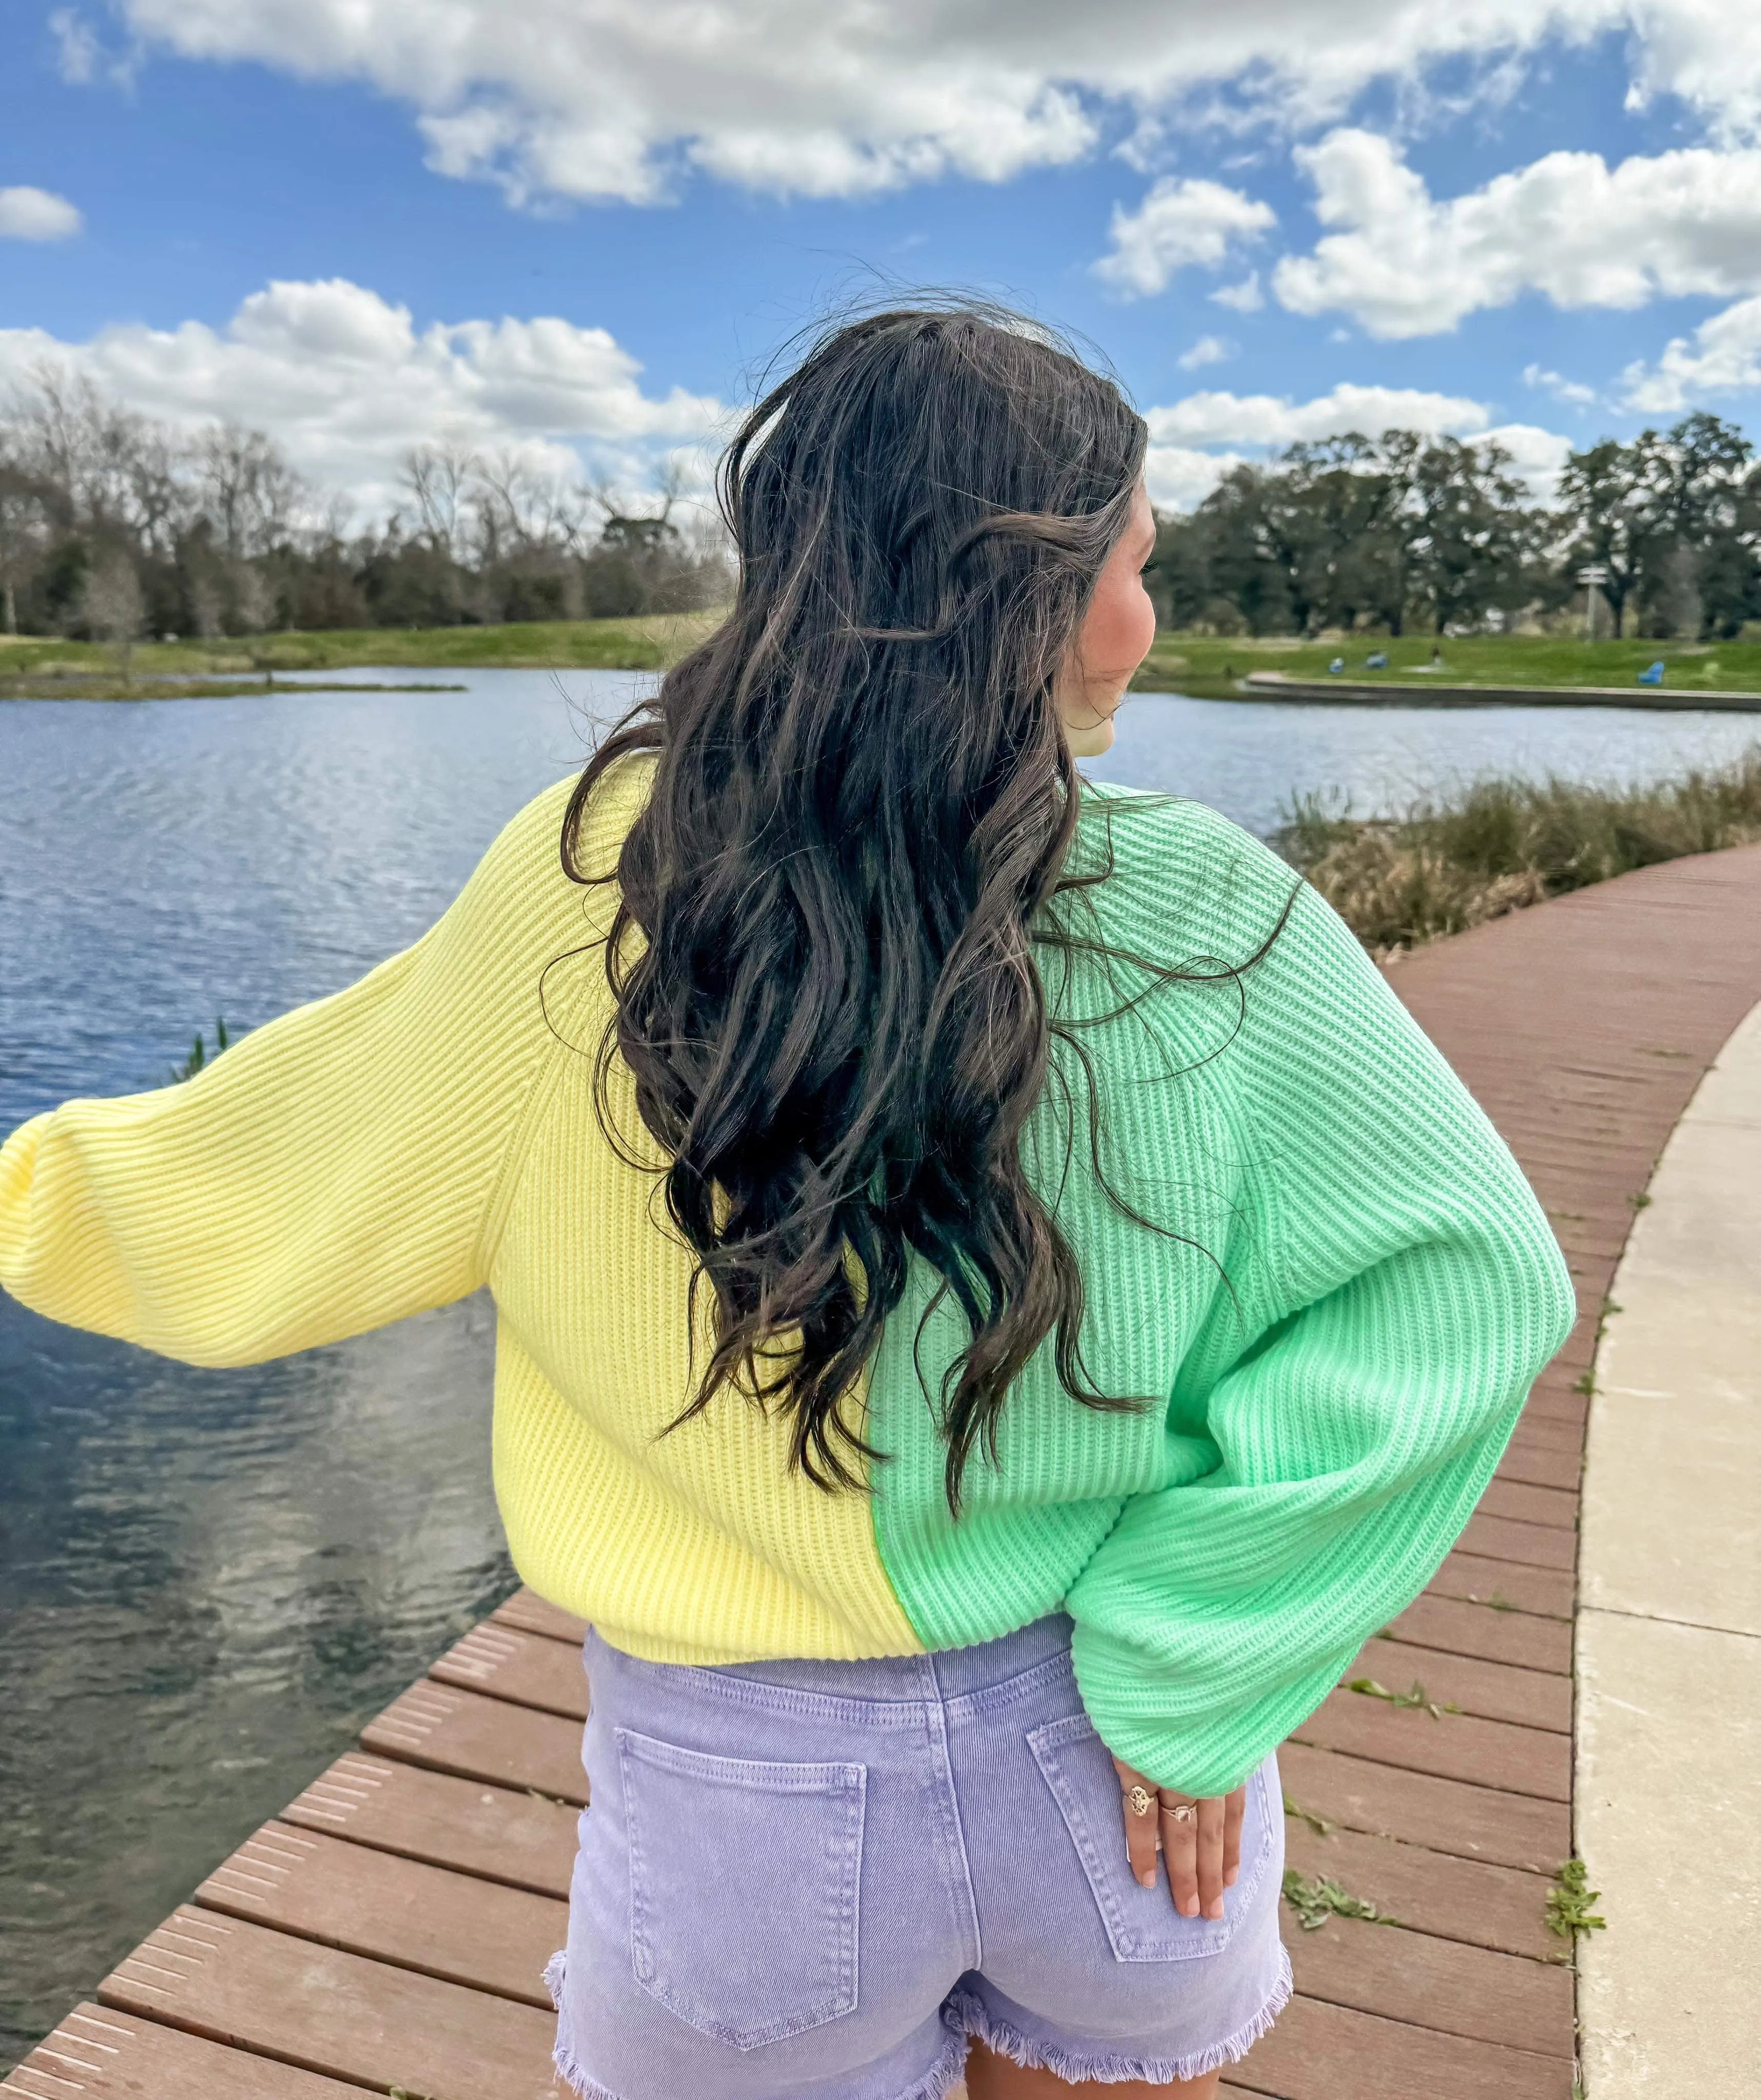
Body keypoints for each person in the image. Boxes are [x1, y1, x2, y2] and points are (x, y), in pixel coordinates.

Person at [0, 306, 1574, 2100]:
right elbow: (1462, 1288)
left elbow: (265, 1173)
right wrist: (1205, 1657)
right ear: (1035, 594)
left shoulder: (602, 882)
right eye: (1142, 567)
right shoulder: (1212, 910)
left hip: (747, 1816)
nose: (1153, 620)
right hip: (1126, 1783)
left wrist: (25, 1196)